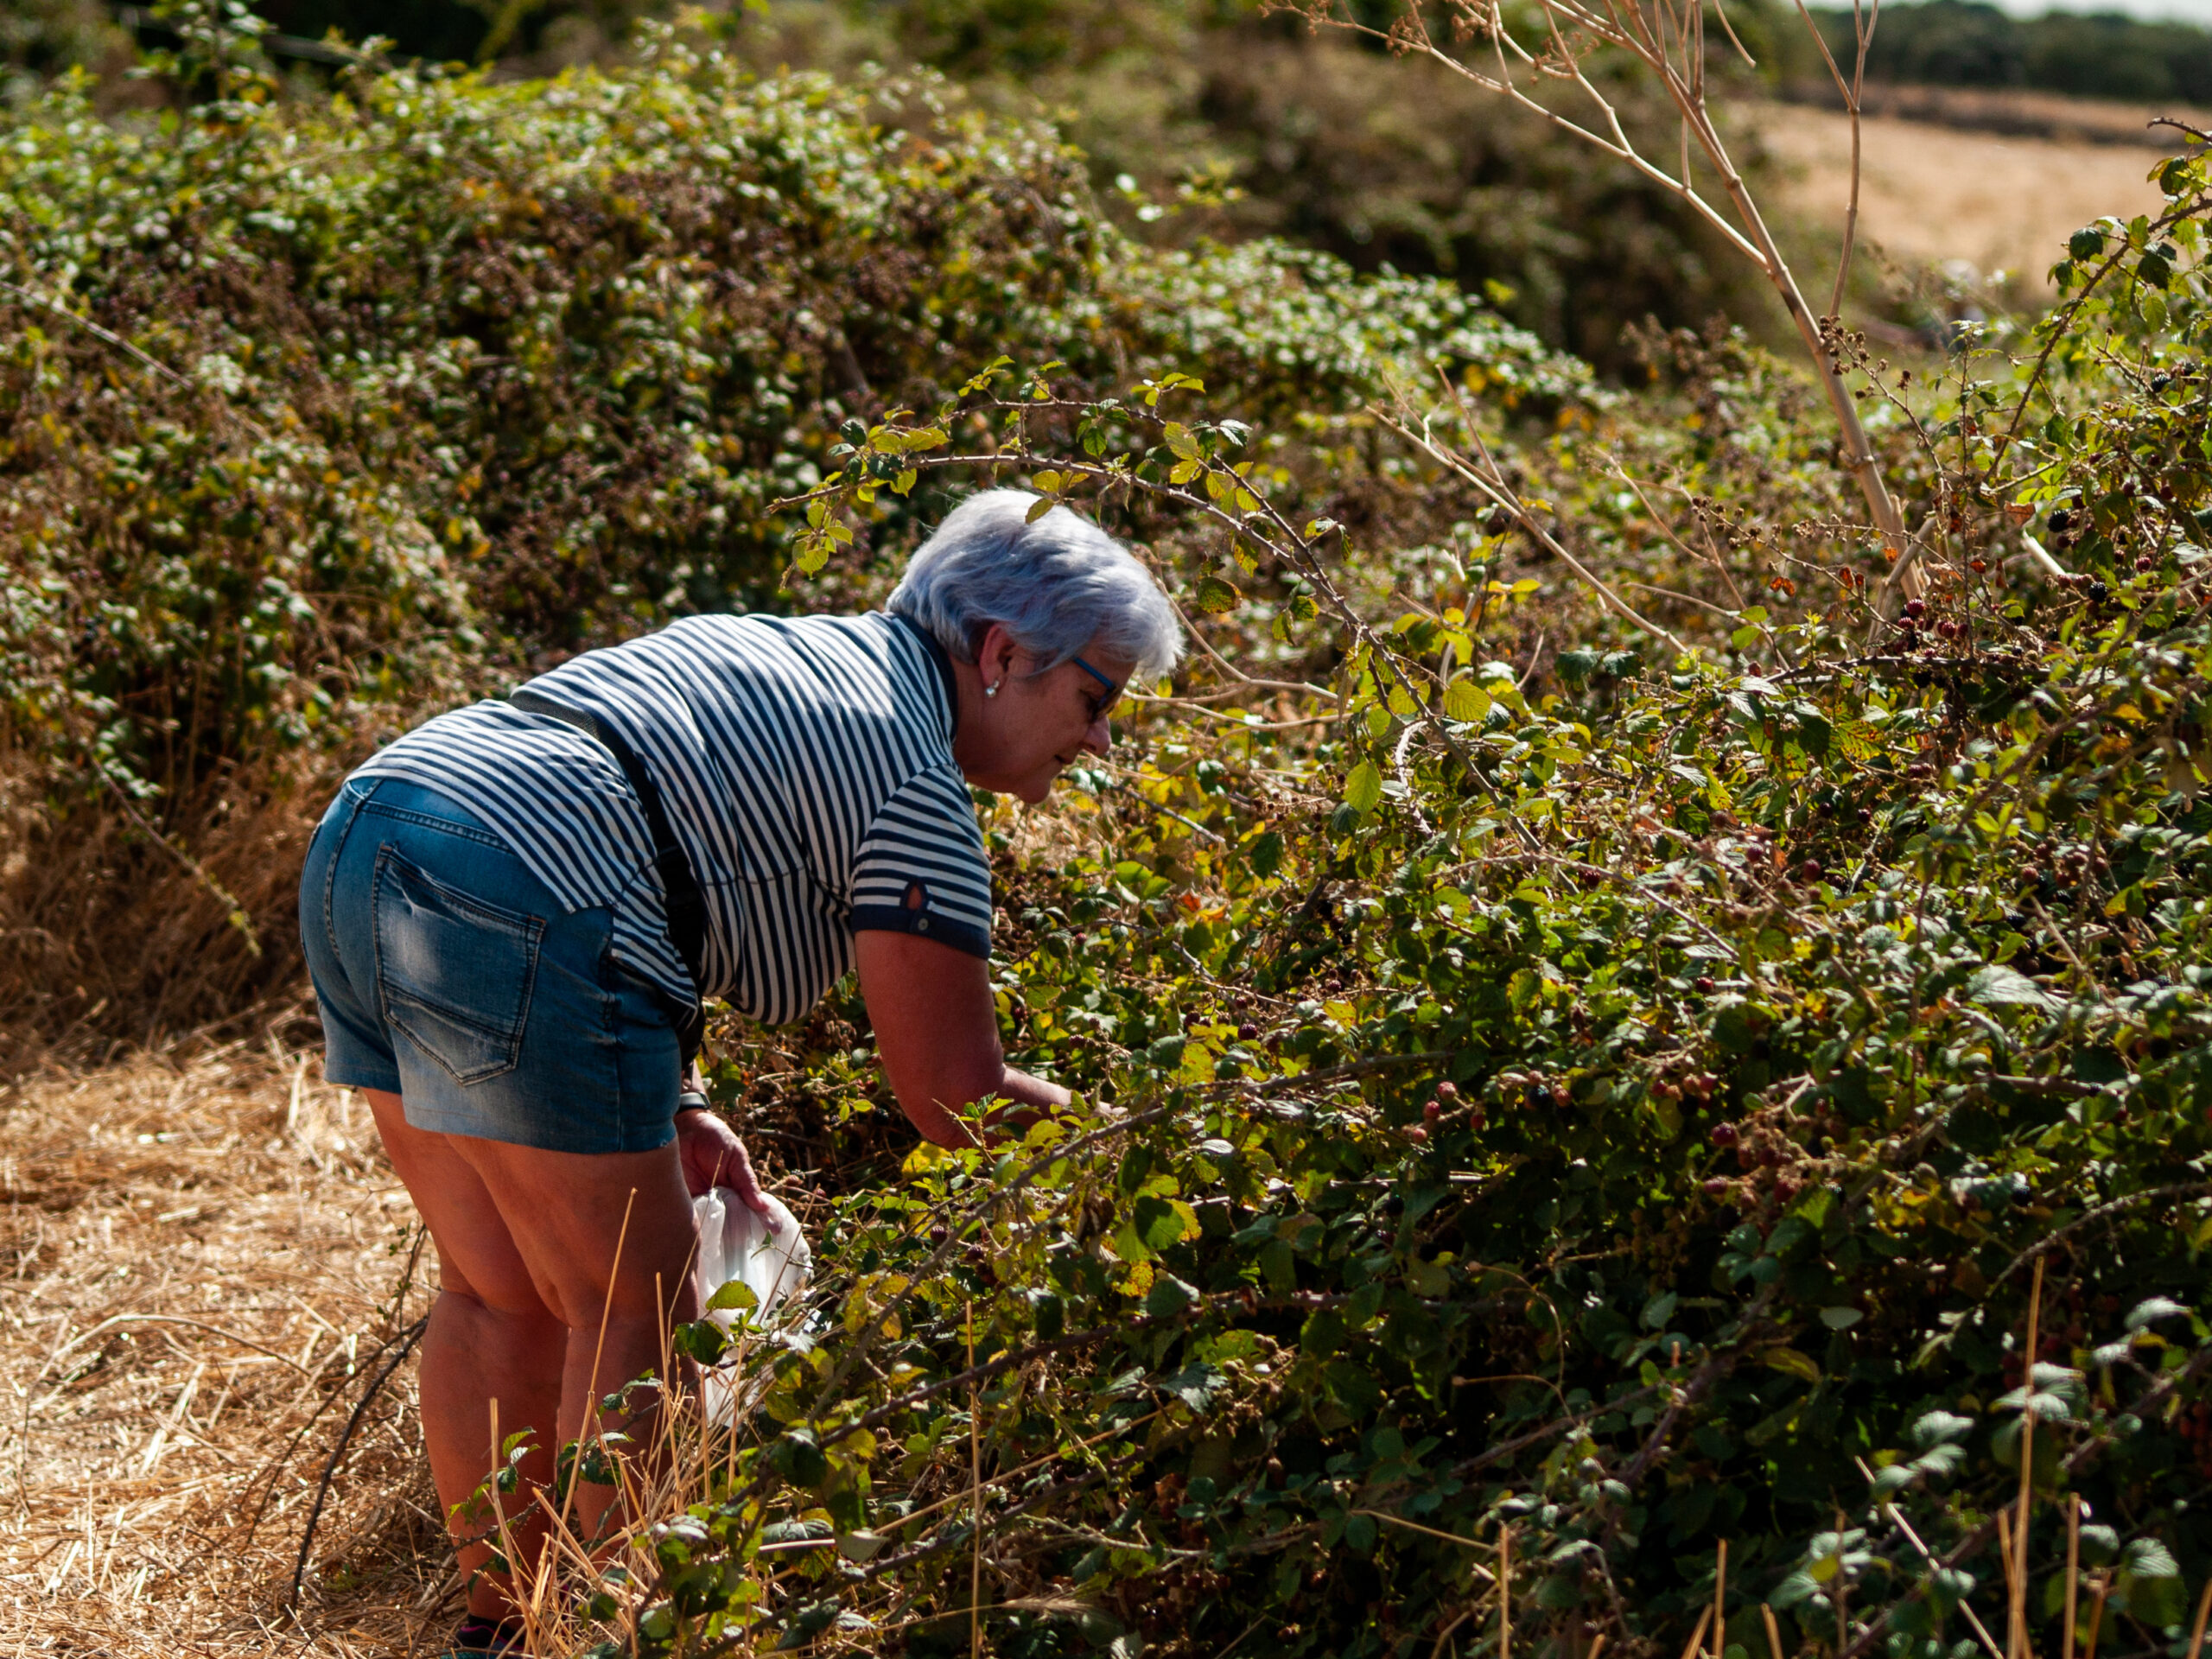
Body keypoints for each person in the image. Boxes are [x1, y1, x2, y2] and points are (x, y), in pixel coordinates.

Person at [296, 489, 1181, 1656]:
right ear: (1004, 655)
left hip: (374, 830)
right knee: (640, 1307)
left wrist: (680, 1101)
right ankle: (596, 1641)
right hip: (517, 882)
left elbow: (648, 808)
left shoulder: (795, 649)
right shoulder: (915, 779)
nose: (1102, 739)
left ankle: (503, 1635)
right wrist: (1158, 1151)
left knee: (495, 1288)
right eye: (1095, 698)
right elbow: (955, 1099)